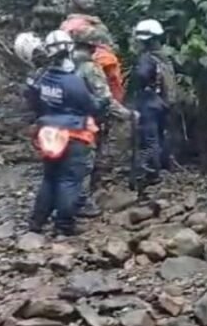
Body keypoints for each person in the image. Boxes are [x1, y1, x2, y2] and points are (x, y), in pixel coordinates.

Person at [26, 30, 101, 235]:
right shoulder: (73, 82)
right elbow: (91, 106)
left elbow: (34, 103)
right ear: (69, 49)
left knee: (50, 177)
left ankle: (37, 222)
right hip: (73, 135)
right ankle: (64, 226)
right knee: (69, 180)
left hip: (48, 134)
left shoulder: (43, 79)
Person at [69, 26, 135, 216]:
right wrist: (126, 114)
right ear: (93, 46)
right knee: (86, 161)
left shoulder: (65, 62)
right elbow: (105, 99)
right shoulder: (91, 68)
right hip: (88, 122)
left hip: (63, 121)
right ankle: (83, 202)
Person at [133, 19, 177, 186]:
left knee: (149, 138)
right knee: (159, 134)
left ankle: (150, 173)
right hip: (162, 101)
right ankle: (162, 165)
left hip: (149, 101)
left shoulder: (146, 58)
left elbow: (142, 76)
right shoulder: (163, 55)